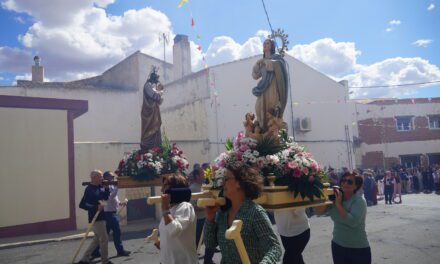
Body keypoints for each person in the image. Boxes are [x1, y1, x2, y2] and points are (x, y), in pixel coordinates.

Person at [204, 165, 282, 263]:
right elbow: (209, 244)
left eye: (226, 179)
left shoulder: (255, 212)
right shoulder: (222, 213)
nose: (222, 183)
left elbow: (274, 248)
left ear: (239, 183)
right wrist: (210, 218)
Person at [315, 171, 371, 264]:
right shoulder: (335, 196)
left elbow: (352, 222)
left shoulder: (359, 201)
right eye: (343, 180)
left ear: (356, 186)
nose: (345, 183)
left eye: (349, 182)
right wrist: (324, 197)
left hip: (358, 248)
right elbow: (318, 212)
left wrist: (338, 204)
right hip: (338, 245)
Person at [155, 174, 198, 264]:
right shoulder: (169, 209)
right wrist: (163, 244)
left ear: (175, 188)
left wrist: (165, 208)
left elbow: (175, 230)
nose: (162, 190)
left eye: (165, 186)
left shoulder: (186, 206)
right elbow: (170, 234)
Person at [252, 38, 289, 132]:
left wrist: (269, 62)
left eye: (267, 43)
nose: (265, 45)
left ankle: (272, 132)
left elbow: (279, 66)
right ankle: (261, 129)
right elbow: (255, 75)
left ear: (272, 46)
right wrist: (257, 63)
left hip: (272, 88)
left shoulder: (277, 58)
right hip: (263, 89)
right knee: (258, 108)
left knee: (270, 110)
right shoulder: (262, 61)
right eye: (264, 43)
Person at [91, 171, 130, 259]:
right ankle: (120, 251)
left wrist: (120, 203)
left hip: (112, 212)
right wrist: (117, 188)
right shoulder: (103, 187)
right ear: (106, 178)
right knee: (117, 231)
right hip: (108, 213)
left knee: (104, 234)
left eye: (113, 177)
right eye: (111, 177)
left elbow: (114, 198)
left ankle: (95, 251)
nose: (113, 178)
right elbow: (108, 198)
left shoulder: (112, 186)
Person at [77, 170, 112, 264]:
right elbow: (83, 205)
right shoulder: (89, 189)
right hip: (96, 218)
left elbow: (105, 198)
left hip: (102, 216)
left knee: (97, 239)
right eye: (100, 176)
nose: (102, 178)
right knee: (104, 239)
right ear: (94, 178)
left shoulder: (100, 187)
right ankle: (105, 261)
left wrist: (107, 189)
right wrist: (95, 207)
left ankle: (84, 259)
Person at [140, 67, 164, 150]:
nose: (156, 81)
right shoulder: (147, 86)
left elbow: (158, 95)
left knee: (156, 127)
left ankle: (156, 144)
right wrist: (159, 94)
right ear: (152, 78)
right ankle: (147, 144)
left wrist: (159, 91)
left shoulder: (151, 86)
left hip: (154, 111)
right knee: (149, 128)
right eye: (155, 79)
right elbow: (153, 95)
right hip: (148, 112)